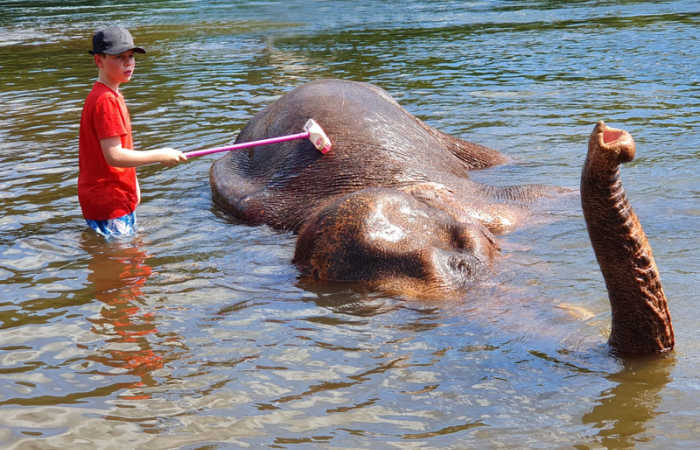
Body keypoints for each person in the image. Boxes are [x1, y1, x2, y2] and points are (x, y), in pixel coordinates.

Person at [78, 25, 187, 238]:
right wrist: (160, 155)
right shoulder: (106, 101)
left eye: (131, 56)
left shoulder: (109, 94)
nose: (128, 63)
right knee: (125, 263)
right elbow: (114, 155)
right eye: (119, 57)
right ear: (99, 61)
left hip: (112, 196)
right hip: (109, 200)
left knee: (123, 257)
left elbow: (121, 150)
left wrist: (133, 185)